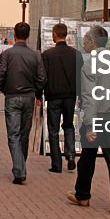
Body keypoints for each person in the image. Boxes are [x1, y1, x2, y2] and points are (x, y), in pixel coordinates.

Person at [67, 24, 110, 216]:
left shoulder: (89, 63)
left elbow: (90, 96)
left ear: (92, 41)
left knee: (87, 157)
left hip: (98, 116)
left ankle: (83, 195)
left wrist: (90, 124)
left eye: (85, 38)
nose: (83, 42)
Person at [0, 22, 46, 185]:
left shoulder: (8, 54)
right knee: (24, 133)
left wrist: (5, 89)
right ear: (28, 35)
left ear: (14, 34)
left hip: (12, 96)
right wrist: (34, 90)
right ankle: (21, 166)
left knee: (13, 134)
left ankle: (19, 169)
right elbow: (42, 78)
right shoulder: (35, 55)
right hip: (28, 97)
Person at [39, 22, 79, 173]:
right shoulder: (75, 54)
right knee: (69, 126)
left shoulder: (48, 55)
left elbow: (42, 77)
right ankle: (70, 155)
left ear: (55, 34)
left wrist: (39, 94)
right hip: (70, 96)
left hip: (54, 96)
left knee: (53, 129)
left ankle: (56, 163)